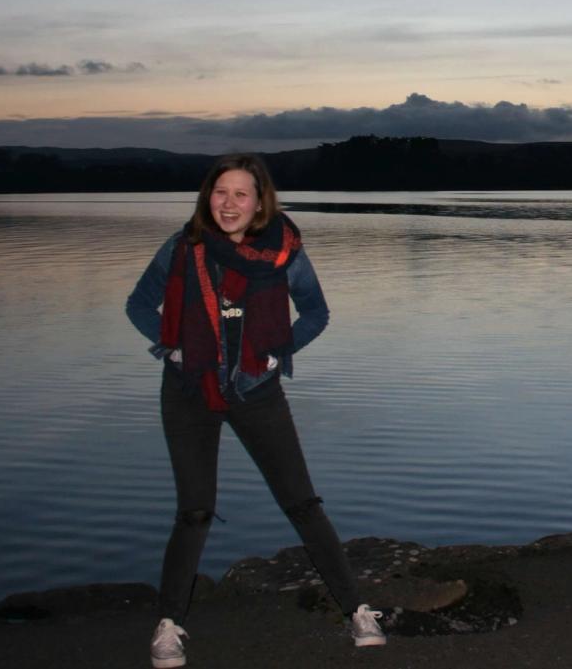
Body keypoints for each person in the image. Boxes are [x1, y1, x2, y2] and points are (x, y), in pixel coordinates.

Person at [126, 153, 385, 667]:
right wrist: (174, 347)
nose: (229, 204)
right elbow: (139, 304)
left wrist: (276, 351)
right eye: (220, 193)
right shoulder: (183, 247)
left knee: (302, 504)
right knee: (194, 511)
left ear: (260, 200)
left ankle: (358, 610)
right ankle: (169, 625)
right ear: (208, 197)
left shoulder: (284, 251)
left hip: (257, 390)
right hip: (188, 390)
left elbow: (316, 312)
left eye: (241, 194)